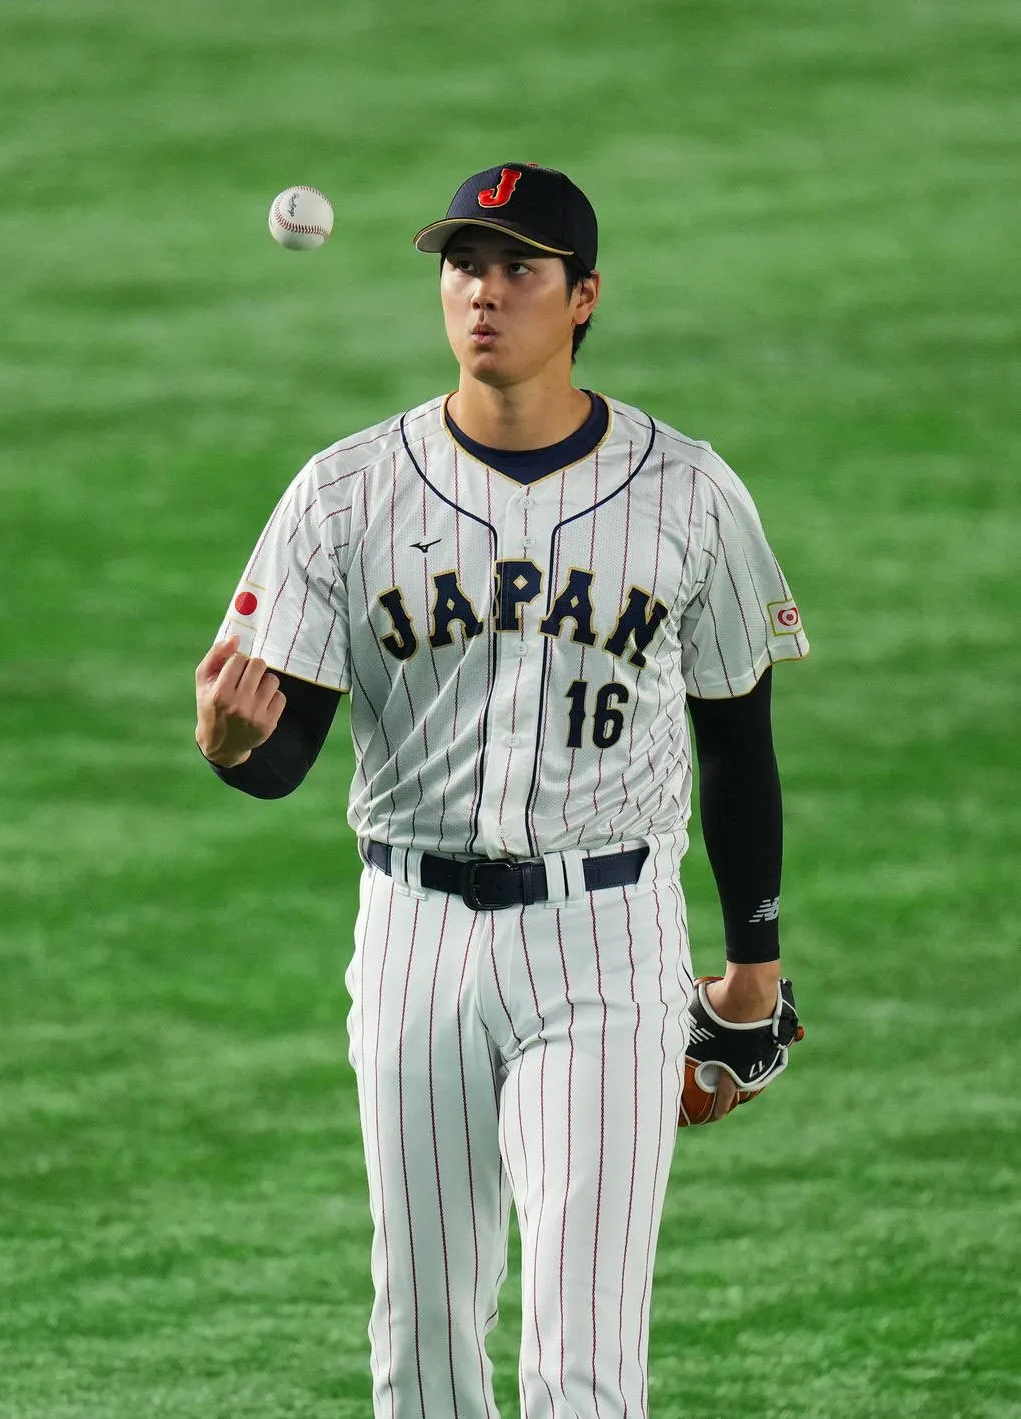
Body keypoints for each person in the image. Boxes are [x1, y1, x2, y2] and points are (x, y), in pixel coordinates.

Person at [193, 162, 809, 1419]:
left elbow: (736, 737)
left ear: (581, 298)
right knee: (419, 1333)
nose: (482, 293)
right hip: (412, 934)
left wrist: (753, 961)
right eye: (462, 266)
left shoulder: (684, 491)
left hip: (607, 943)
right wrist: (229, 745)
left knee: (581, 1352)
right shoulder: (345, 492)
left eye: (518, 269)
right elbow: (286, 754)